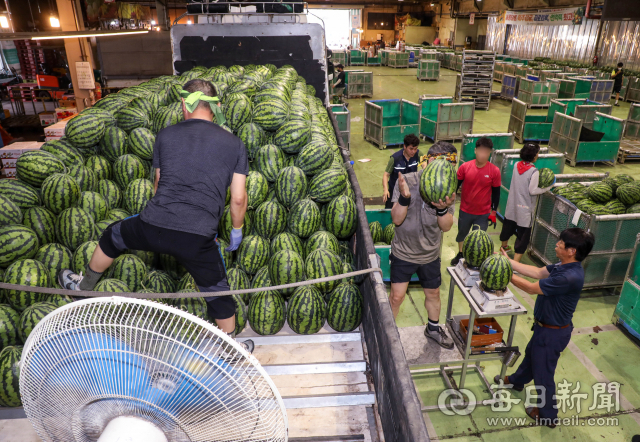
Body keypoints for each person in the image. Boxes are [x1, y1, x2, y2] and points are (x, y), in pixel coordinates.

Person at [58, 79, 254, 353]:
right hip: (197, 236)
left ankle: (84, 287)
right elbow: (238, 198)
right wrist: (236, 230)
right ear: (217, 106)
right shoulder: (235, 144)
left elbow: (158, 184)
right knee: (217, 290)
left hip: (153, 224)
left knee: (113, 235)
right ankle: (230, 348)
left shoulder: (165, 135)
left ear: (184, 104)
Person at [495, 227, 595, 428]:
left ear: (572, 250)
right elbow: (537, 271)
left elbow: (532, 288)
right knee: (532, 355)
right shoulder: (564, 266)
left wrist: (501, 271)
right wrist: (507, 261)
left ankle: (548, 415)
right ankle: (516, 380)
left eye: (561, 242)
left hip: (552, 333)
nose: (557, 244)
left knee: (543, 375)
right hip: (545, 328)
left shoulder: (569, 277)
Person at [389, 141, 457, 349]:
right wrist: (405, 197)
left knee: (433, 293)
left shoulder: (447, 188)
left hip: (429, 254)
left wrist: (443, 209)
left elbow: (446, 227)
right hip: (403, 251)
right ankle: (389, 332)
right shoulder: (406, 180)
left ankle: (433, 328)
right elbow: (396, 219)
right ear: (427, 161)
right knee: (397, 296)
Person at [500, 142, 554, 262]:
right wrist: (547, 188)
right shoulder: (534, 171)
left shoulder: (516, 165)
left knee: (508, 225)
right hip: (524, 208)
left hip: (513, 204)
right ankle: (516, 262)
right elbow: (533, 190)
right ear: (534, 156)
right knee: (523, 235)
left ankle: (504, 247)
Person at [451, 137, 501, 266]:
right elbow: (455, 186)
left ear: (490, 153)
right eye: (480, 151)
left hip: (483, 213)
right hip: (465, 210)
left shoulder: (494, 171)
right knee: (462, 233)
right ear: (475, 150)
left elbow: (496, 193)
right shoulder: (465, 167)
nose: (483, 154)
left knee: (478, 240)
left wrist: (493, 212)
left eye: (486, 152)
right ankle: (461, 253)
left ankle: (473, 259)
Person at [382, 134, 422, 209]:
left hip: (410, 191)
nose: (413, 151)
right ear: (404, 146)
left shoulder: (418, 154)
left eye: (415, 148)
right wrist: (385, 190)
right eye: (411, 148)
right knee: (390, 213)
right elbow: (386, 175)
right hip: (394, 191)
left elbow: (425, 165)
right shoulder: (395, 158)